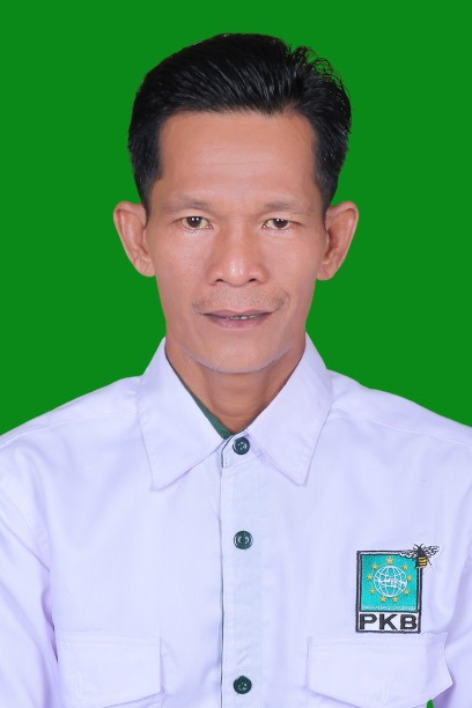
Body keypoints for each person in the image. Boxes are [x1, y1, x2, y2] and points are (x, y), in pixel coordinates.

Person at [0, 33, 470, 708]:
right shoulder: (26, 491)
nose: (237, 267)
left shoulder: (451, 484)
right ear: (137, 238)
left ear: (333, 240)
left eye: (277, 222)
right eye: (196, 220)